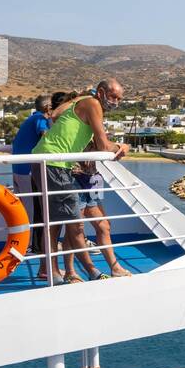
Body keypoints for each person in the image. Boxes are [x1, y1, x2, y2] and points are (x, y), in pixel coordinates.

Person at [30, 79, 129, 283]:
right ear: (101, 93)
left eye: (119, 99)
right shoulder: (93, 104)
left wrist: (77, 98)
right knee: (75, 225)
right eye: (113, 97)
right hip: (53, 163)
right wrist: (121, 146)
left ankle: (54, 272)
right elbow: (103, 145)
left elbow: (54, 115)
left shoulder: (82, 100)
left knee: (55, 223)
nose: (116, 103)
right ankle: (90, 272)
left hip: (49, 162)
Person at [63, 151, 132, 280]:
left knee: (103, 226)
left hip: (92, 178)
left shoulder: (93, 132)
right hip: (74, 178)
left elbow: (101, 146)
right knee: (73, 230)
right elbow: (104, 145)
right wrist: (117, 147)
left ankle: (115, 268)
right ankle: (70, 272)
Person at [9, 95, 53, 196]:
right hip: (27, 171)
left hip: (18, 168)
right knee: (31, 209)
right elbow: (46, 137)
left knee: (24, 205)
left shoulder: (32, 118)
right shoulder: (40, 118)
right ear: (48, 107)